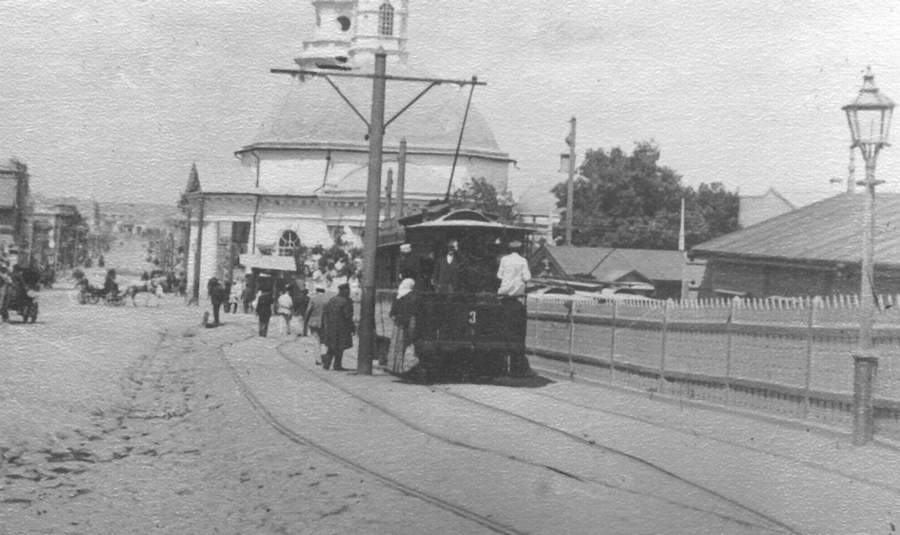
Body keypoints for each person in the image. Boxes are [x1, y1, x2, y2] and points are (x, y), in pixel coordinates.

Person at [322, 282, 355, 371]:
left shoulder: (332, 300)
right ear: (344, 291)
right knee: (340, 347)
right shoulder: (346, 302)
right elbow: (348, 316)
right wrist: (352, 327)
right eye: (347, 290)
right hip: (342, 328)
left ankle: (327, 364)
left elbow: (325, 312)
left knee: (331, 346)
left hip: (331, 327)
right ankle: (337, 365)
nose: (348, 292)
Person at [388, 278, 416, 372]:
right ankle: (402, 367)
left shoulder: (398, 295)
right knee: (404, 345)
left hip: (397, 324)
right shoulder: (412, 296)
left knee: (395, 345)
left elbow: (392, 313)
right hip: (407, 324)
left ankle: (394, 366)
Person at [305, 285, 330, 364]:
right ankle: (325, 358)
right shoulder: (328, 300)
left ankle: (318, 359)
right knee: (324, 341)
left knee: (316, 340)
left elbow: (308, 311)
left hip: (314, 323)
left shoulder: (313, 299)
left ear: (317, 291)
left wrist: (305, 322)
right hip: (325, 323)